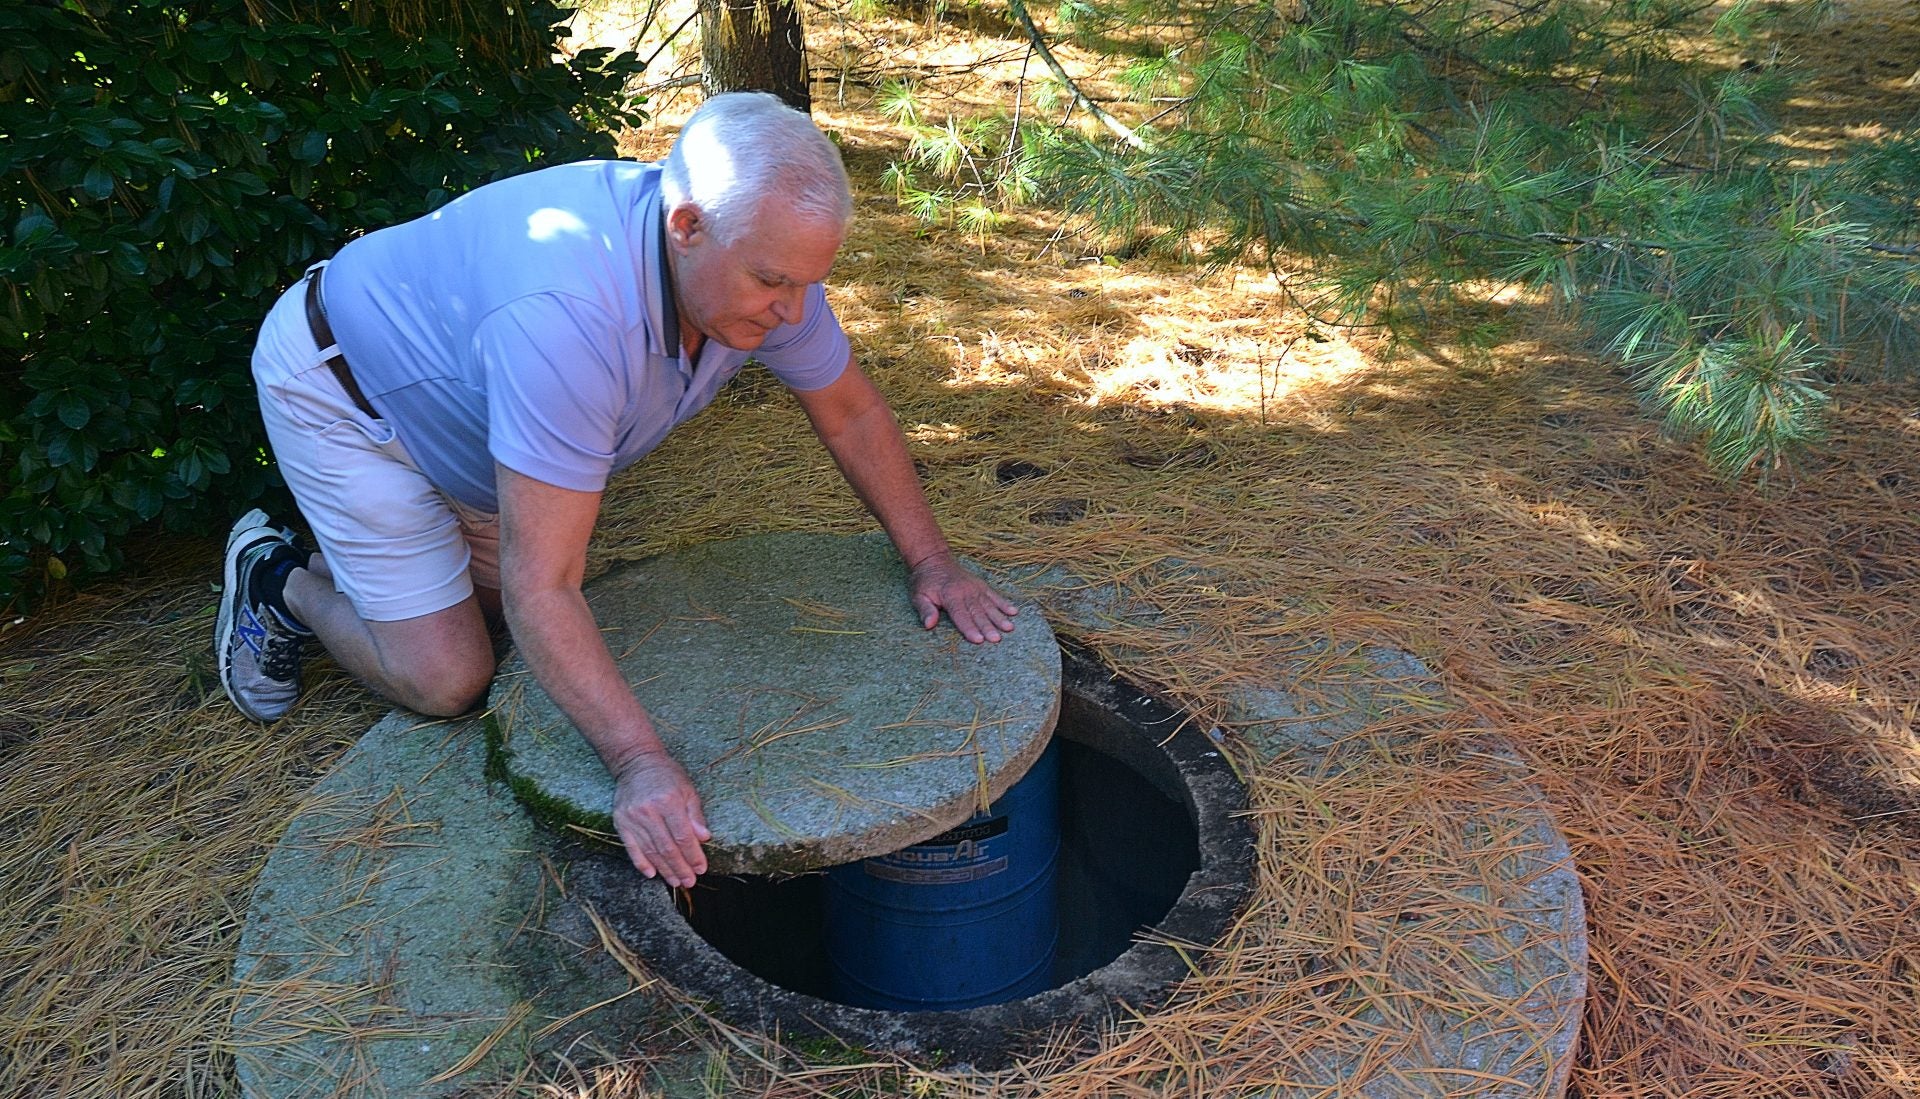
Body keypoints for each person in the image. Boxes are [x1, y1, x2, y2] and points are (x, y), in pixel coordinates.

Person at [217, 92, 1018, 890]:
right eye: (773, 280)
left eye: (811, 281)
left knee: (497, 629)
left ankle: (359, 569)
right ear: (686, 225)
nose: (795, 311)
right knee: (451, 676)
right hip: (351, 399)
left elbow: (850, 412)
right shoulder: (566, 316)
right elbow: (546, 587)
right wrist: (640, 763)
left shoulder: (761, 267)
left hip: (471, 416)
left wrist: (932, 560)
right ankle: (279, 579)